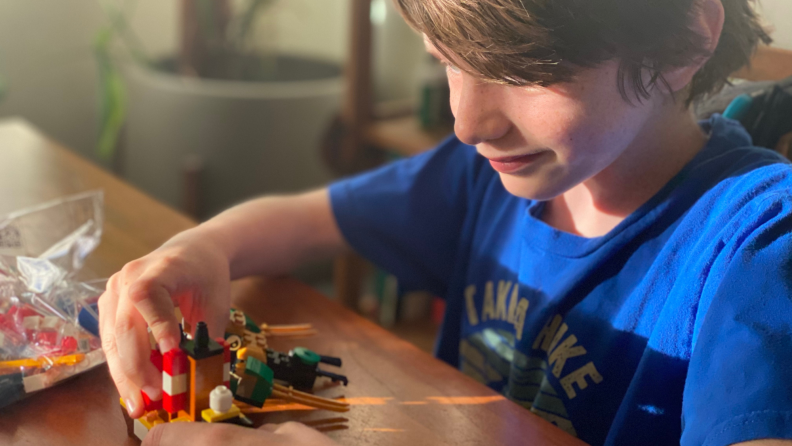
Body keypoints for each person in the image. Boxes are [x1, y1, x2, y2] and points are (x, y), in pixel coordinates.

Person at [99, 0, 792, 445]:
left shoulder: (759, 240)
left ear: (680, 42)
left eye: (518, 72)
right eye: (444, 65)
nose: (467, 122)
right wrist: (201, 247)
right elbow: (307, 221)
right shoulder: (482, 179)